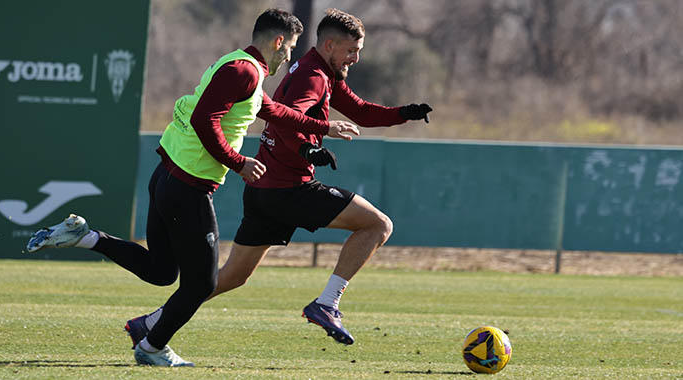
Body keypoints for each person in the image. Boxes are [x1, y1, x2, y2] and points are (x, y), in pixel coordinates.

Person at [25, 8, 359, 367]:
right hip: (187, 188)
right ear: (278, 42)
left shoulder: (240, 65)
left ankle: (85, 237)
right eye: (290, 47)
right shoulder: (243, 70)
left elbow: (274, 110)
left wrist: (325, 128)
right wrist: (238, 162)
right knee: (201, 284)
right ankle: (152, 347)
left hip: (168, 178)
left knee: (161, 271)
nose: (290, 56)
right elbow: (204, 119)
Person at [125, 8, 433, 347]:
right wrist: (307, 151)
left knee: (230, 277)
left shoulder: (322, 71)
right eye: (351, 50)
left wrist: (404, 114)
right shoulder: (312, 76)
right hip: (289, 188)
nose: (356, 58)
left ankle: (151, 323)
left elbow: (359, 111)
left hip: (264, 191)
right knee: (378, 225)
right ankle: (327, 303)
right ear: (329, 45)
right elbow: (289, 119)